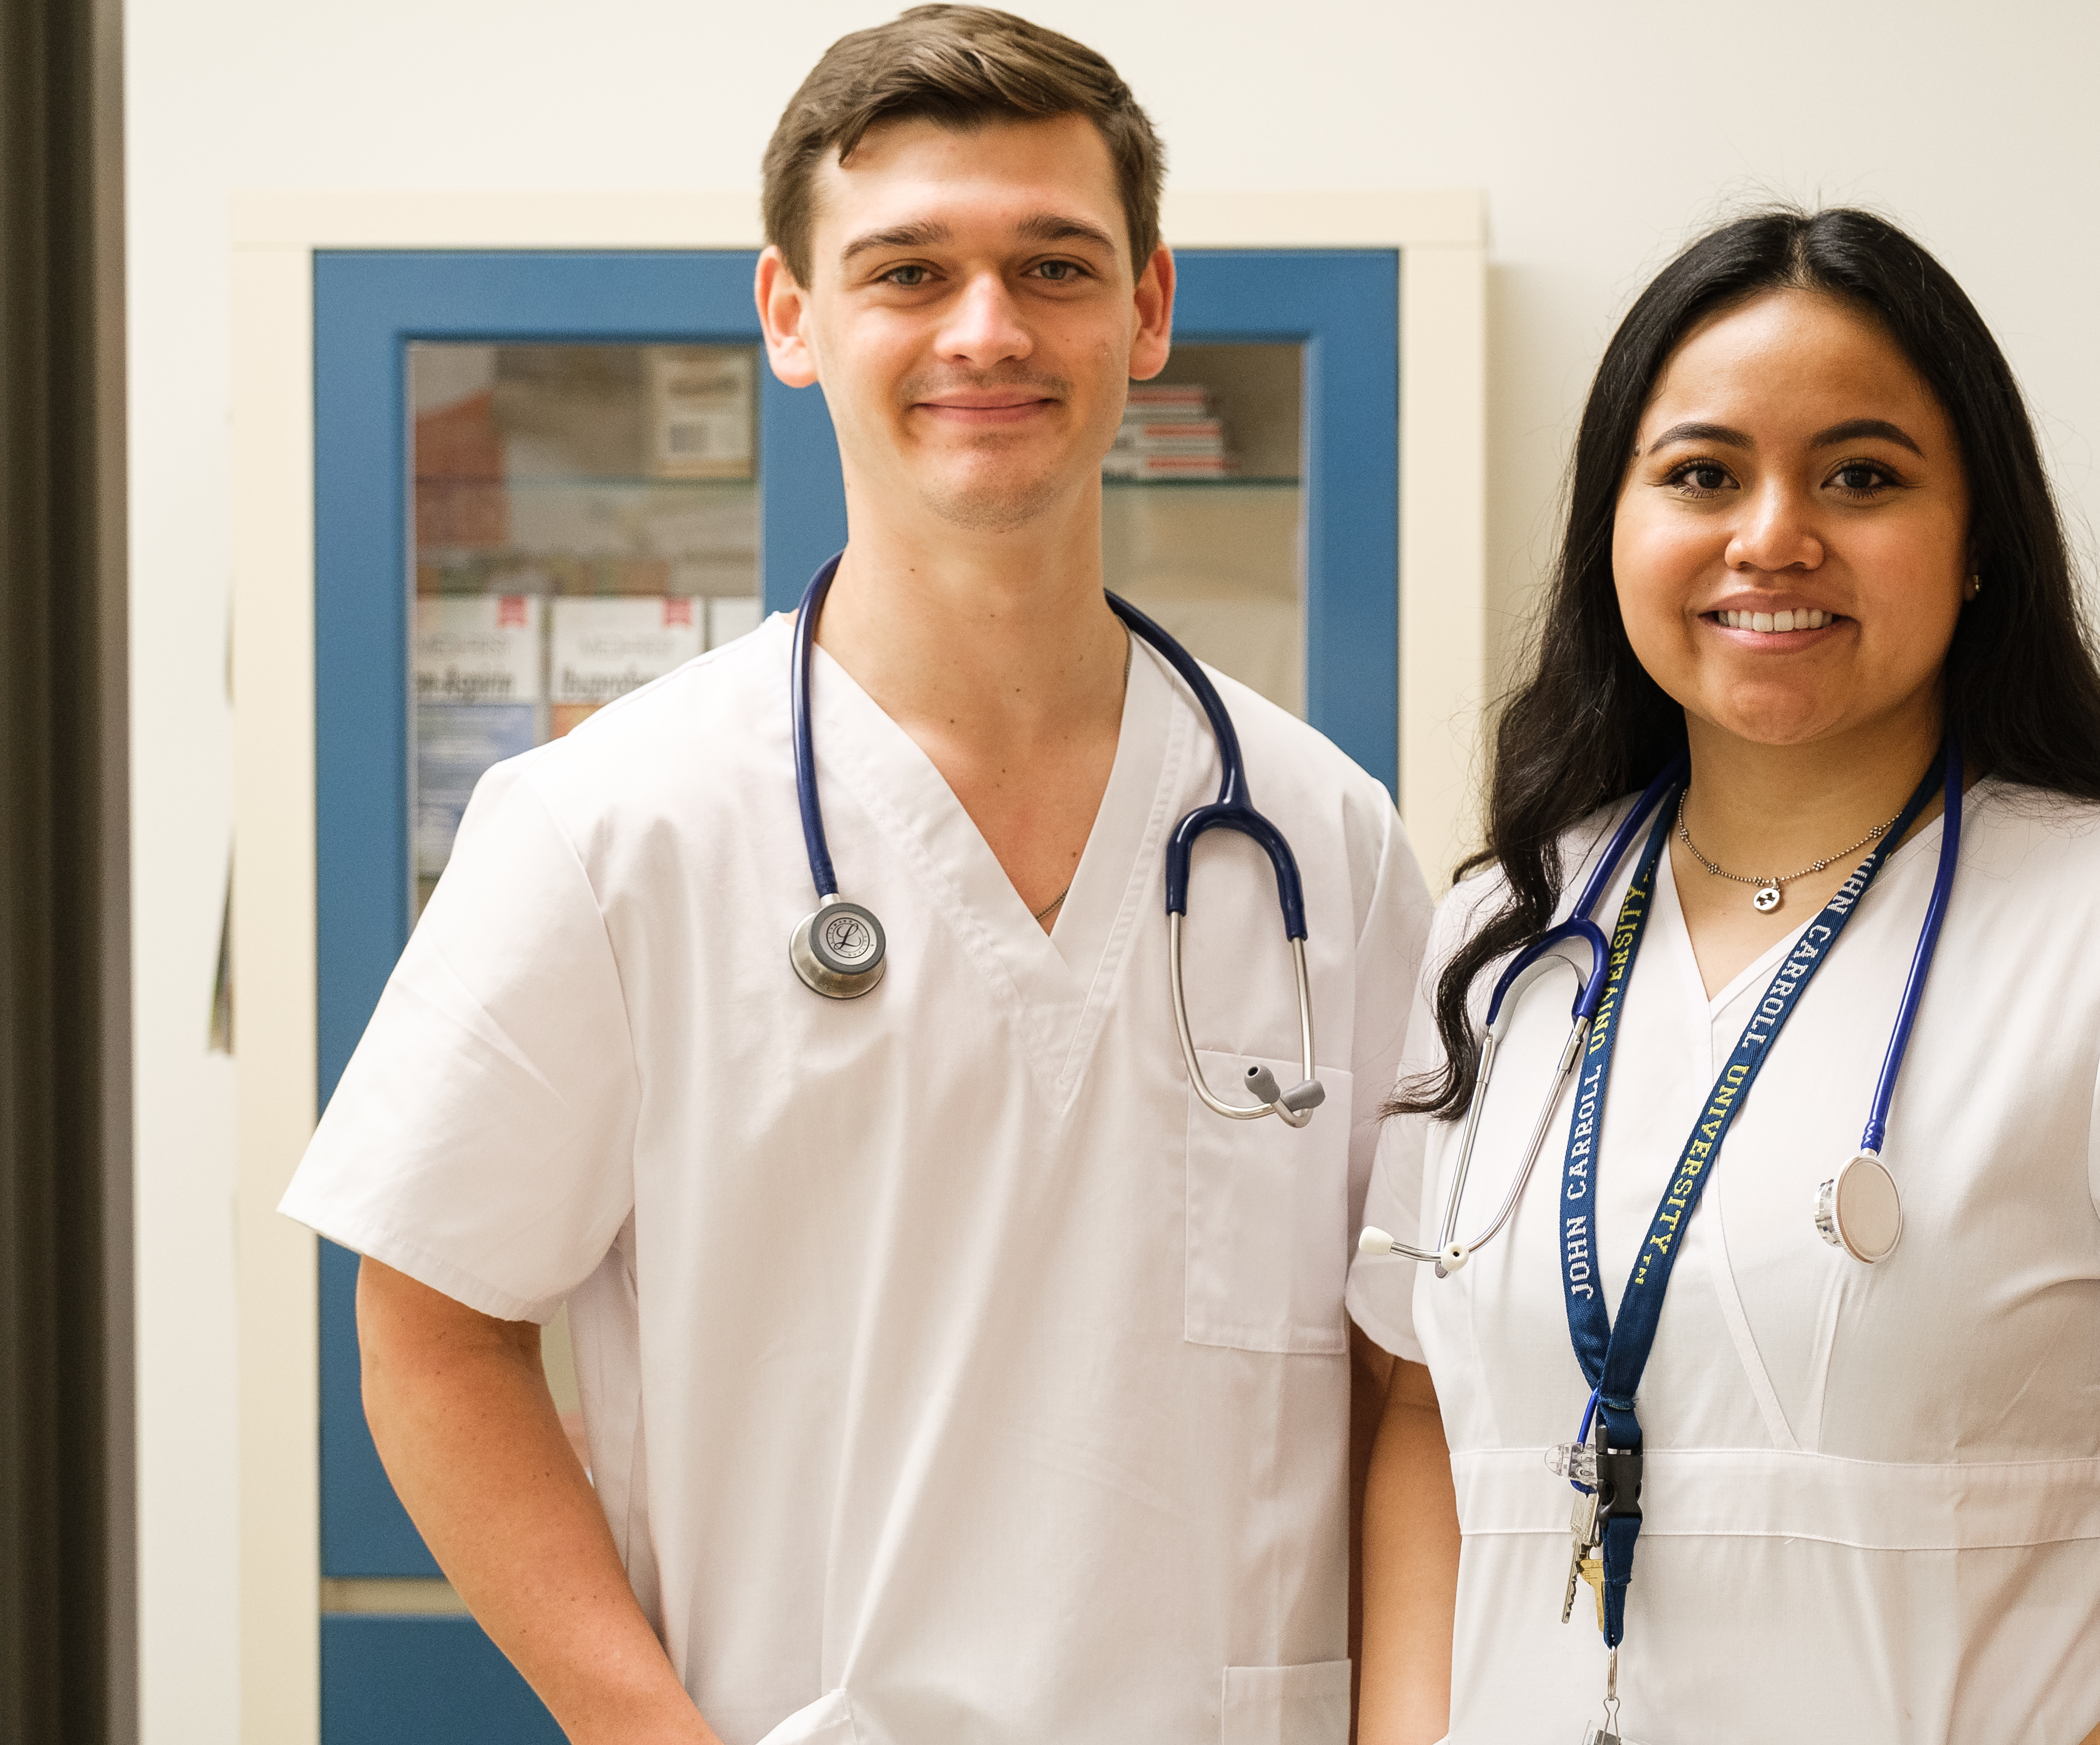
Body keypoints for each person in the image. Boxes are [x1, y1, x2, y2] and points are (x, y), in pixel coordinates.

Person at [280, 10, 1430, 1743]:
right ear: (791, 317)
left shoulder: (1323, 838)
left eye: (1055, 264)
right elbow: (430, 1333)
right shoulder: (610, 827)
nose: (989, 329)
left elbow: (1400, 1366)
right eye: (908, 270)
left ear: (1149, 309)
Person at [1347, 207, 2100, 1744]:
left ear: (1977, 550)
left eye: (1862, 478)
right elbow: (1423, 1410)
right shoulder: (1509, 924)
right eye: (1701, 475)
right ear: (1612, 529)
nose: (1772, 536)